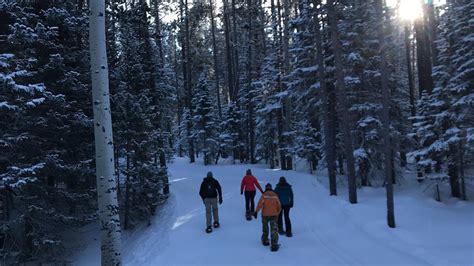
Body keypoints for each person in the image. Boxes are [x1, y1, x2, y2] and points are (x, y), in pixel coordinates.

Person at [254, 183, 281, 252]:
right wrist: (278, 212)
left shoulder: (264, 195)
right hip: (274, 215)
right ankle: (274, 245)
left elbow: (260, 204)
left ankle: (265, 240)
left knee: (265, 228)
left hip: (265, 215)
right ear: (271, 188)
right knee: (274, 229)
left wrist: (256, 211)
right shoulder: (275, 195)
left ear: (266, 188)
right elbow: (279, 205)